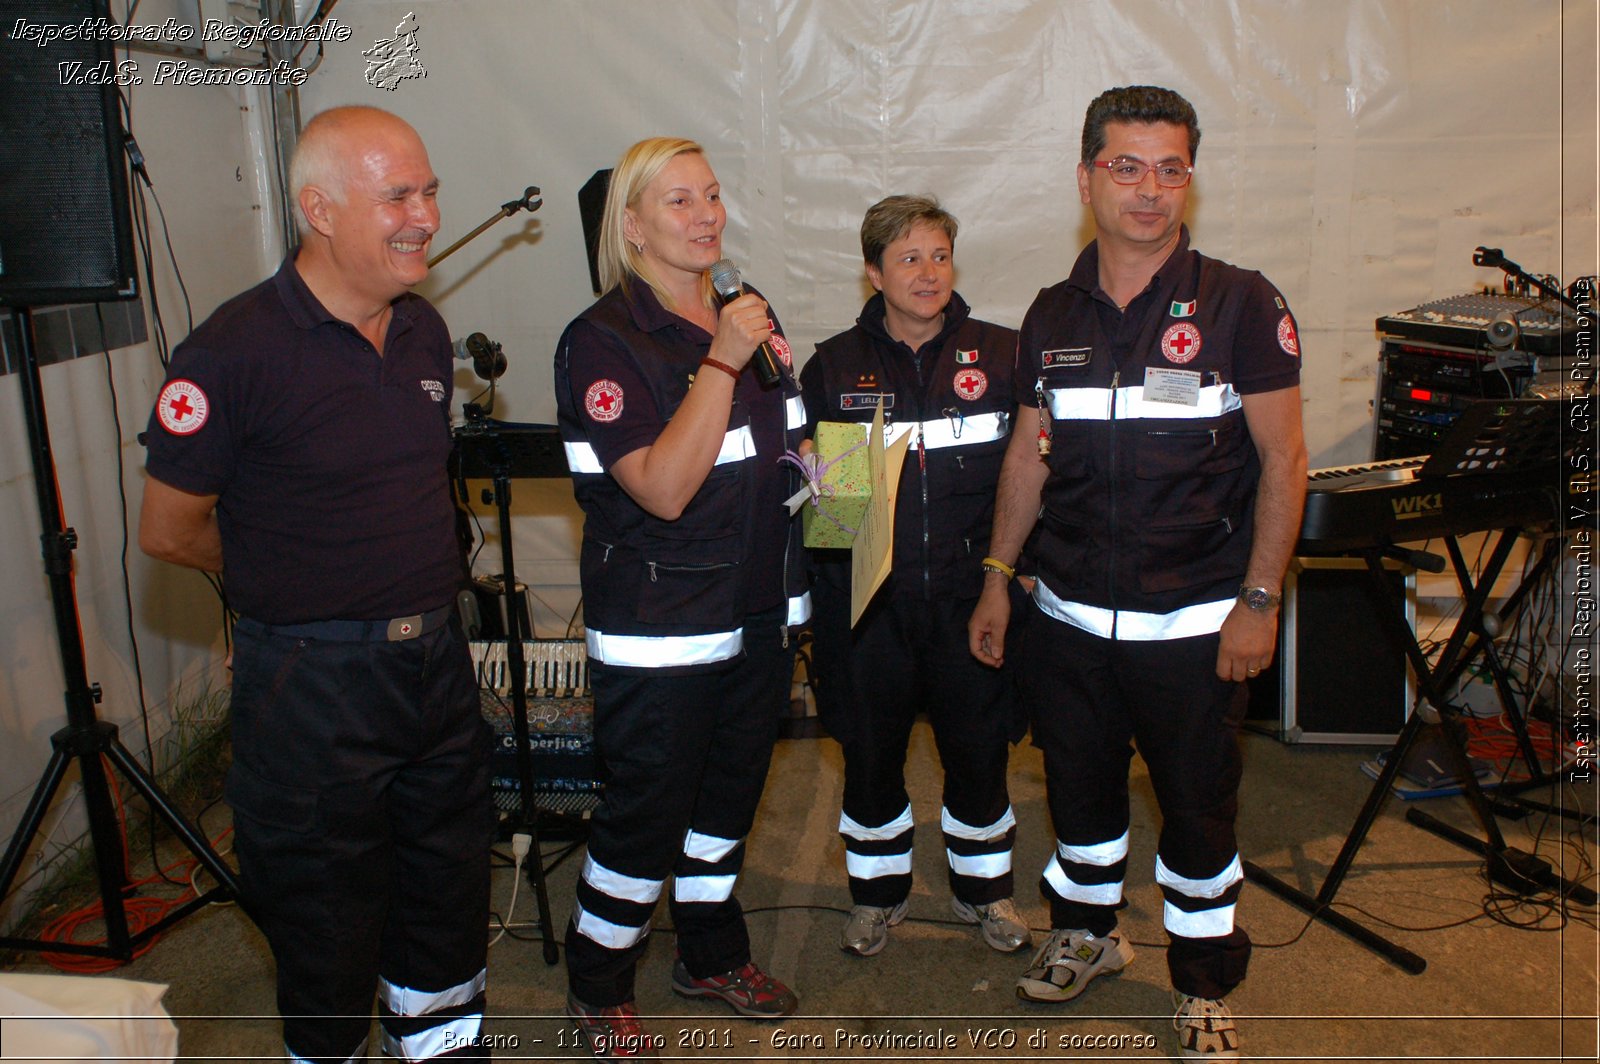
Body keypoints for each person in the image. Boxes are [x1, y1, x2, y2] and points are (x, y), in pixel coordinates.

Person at [139, 106, 495, 1063]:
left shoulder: (423, 332)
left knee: (447, 892)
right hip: (311, 689)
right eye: (398, 195)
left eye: (428, 190)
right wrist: (293, 572)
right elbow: (168, 529)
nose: (424, 214)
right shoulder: (232, 351)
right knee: (328, 921)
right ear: (318, 209)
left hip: (435, 671)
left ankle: (443, 1047)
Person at [967, 86, 1307, 1060]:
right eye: (1126, 165)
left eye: (1170, 168)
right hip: (1064, 618)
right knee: (1078, 793)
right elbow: (1030, 456)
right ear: (1085, 178)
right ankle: (1088, 930)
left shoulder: (1242, 302)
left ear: (1188, 180)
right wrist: (997, 575)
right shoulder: (1047, 314)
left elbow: (1285, 461)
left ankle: (1201, 983)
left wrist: (1257, 599)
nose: (1149, 190)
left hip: (1195, 626)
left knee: (1197, 810)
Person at [552, 137, 809, 1060]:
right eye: (678, 202)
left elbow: (792, 446)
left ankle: (709, 954)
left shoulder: (748, 313)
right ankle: (596, 986)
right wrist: (725, 361)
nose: (706, 215)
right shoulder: (602, 341)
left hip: (759, 612)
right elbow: (662, 486)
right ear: (631, 228)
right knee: (645, 820)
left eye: (711, 196)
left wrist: (853, 499)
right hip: (664, 630)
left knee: (726, 806)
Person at [800, 195, 1026, 958]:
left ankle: (987, 892)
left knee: (980, 754)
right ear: (873, 271)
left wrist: (1014, 581)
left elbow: (1032, 482)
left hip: (974, 601)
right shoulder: (833, 366)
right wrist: (830, 613)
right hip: (873, 609)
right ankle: (876, 896)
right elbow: (834, 517)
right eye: (908, 258)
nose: (928, 274)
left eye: (938, 255)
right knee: (869, 760)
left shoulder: (1002, 355)